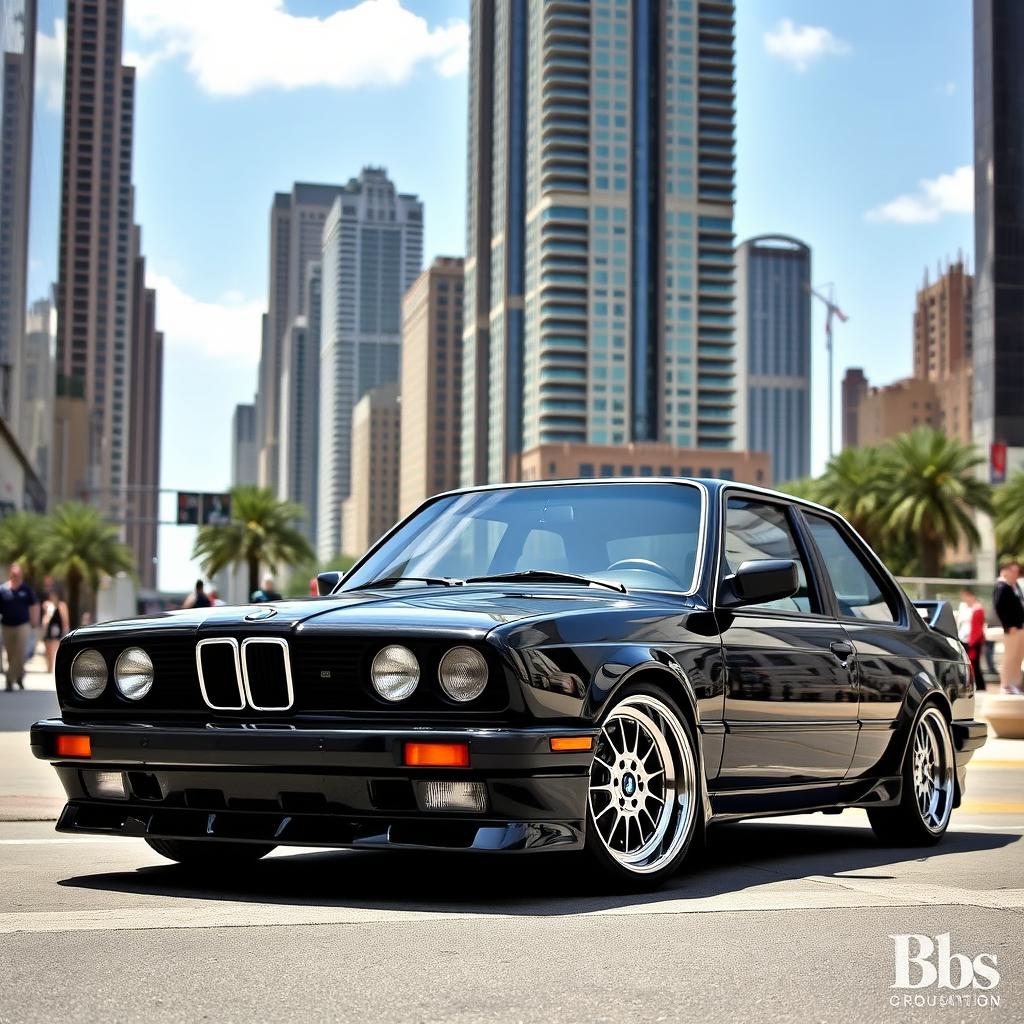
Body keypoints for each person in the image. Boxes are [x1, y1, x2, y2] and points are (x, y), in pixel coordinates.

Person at [1, 563, 40, 691]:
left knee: (20, 652)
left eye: (18, 575)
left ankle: (9, 679)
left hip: (23, 625)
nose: (16, 577)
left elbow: (34, 605)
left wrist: (34, 620)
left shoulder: (26, 589)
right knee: (11, 654)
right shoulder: (3, 590)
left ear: (21, 575)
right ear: (10, 575)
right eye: (14, 574)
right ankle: (19, 675)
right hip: (7, 625)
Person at [992, 559, 1024, 695]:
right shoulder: (1002, 586)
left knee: (1017, 657)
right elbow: (999, 607)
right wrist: (1008, 625)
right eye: (1013, 571)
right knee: (1009, 657)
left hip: (1019, 627)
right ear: (1005, 571)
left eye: (1017, 572)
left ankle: (1015, 684)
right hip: (1012, 629)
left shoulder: (1013, 586)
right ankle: (1006, 685)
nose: (1015, 574)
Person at [957, 588, 987, 690]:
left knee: (975, 664)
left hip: (973, 640)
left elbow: (978, 627)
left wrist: (973, 641)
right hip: (963, 637)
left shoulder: (978, 609)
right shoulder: (964, 607)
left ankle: (979, 685)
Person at [41, 587, 70, 674]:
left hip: (57, 629)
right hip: (49, 628)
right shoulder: (48, 605)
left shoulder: (62, 605)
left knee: (54, 647)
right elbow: (45, 617)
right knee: (48, 648)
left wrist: (66, 630)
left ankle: (52, 667)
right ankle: (48, 667)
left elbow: (65, 619)